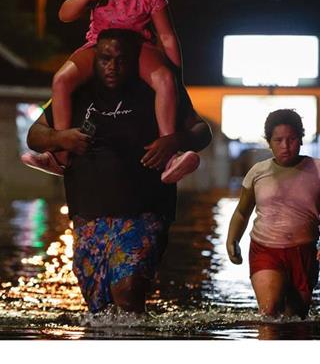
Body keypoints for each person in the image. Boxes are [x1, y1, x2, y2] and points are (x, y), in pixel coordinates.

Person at [26, 28, 211, 313]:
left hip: (145, 213)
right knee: (99, 308)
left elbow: (201, 130)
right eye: (104, 59)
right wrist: (60, 138)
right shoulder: (78, 92)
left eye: (122, 60)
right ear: (94, 59)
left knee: (127, 292)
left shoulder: (156, 90)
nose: (112, 67)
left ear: (135, 60)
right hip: (88, 216)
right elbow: (35, 134)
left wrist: (174, 140)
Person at [25, 0, 192, 180]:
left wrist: (177, 76)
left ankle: (171, 156)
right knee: (61, 80)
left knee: (165, 80)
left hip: (136, 48)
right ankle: (59, 156)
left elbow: (167, 36)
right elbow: (64, 14)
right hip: (98, 45)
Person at [225, 109, 320, 319]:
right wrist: (232, 240)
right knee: (270, 315)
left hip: (304, 252)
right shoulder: (257, 172)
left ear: (301, 139)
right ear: (268, 142)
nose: (285, 146)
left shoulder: (318, 169)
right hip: (265, 250)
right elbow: (242, 212)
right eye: (278, 140)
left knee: (296, 321)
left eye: (292, 139)